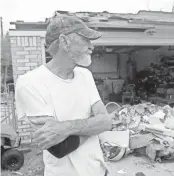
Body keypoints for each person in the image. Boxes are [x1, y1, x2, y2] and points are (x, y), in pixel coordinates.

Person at [15, 12, 112, 176]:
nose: (91, 46)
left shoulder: (85, 75)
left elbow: (106, 122)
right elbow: (60, 148)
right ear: (64, 42)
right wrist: (93, 126)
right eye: (85, 39)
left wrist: (64, 127)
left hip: (98, 169)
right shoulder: (29, 83)